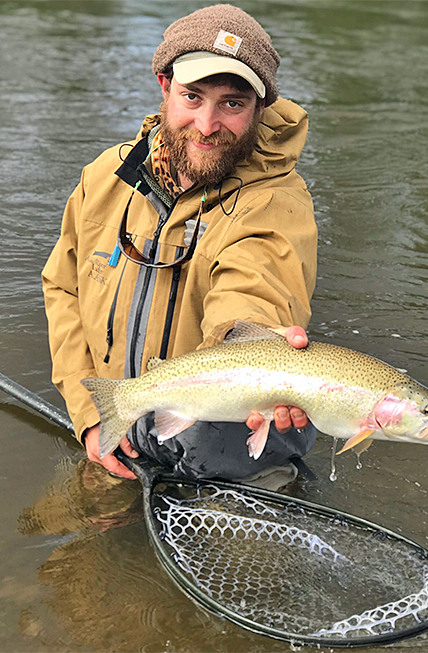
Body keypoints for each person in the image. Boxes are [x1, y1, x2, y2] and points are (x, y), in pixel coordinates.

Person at [42, 4, 318, 485]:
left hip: (227, 444)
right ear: (165, 85)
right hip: (124, 428)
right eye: (193, 97)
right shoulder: (104, 177)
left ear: (260, 108)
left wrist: (258, 358)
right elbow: (64, 289)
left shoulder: (278, 202)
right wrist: (92, 413)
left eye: (232, 104)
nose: (208, 125)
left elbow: (254, 293)